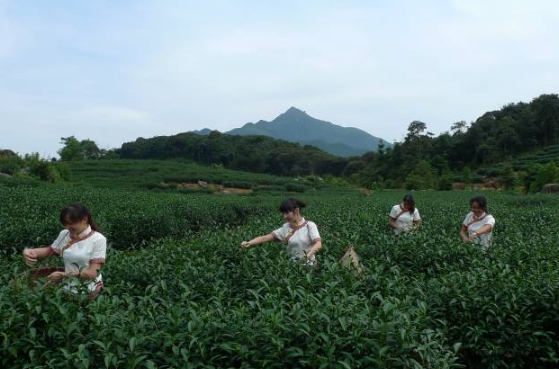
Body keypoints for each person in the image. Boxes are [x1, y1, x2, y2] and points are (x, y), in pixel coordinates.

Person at [22, 203, 106, 297]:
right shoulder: (65, 234)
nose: (67, 227)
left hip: (89, 290)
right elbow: (49, 251)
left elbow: (92, 273)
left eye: (71, 223)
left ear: (84, 219)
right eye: (65, 224)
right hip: (68, 288)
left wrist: (63, 275)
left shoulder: (98, 239)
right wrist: (28, 251)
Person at [241, 198, 322, 266]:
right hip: (292, 266)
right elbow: (264, 238)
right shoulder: (286, 227)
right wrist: (249, 243)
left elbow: (318, 244)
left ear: (296, 211)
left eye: (287, 213)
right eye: (283, 213)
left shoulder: (310, 225)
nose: (285, 216)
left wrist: (307, 256)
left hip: (309, 265)